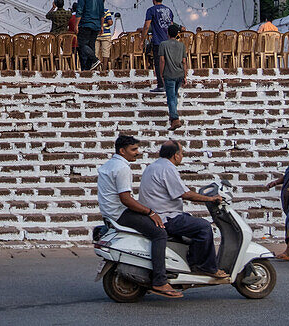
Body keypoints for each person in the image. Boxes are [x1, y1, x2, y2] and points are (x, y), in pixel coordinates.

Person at [96, 135, 181, 298]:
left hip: (111, 212)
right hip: (120, 213)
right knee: (160, 233)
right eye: (133, 149)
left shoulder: (110, 164)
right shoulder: (122, 168)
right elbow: (126, 199)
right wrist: (150, 212)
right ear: (122, 151)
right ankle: (160, 281)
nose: (137, 153)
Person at [139, 141, 228, 279]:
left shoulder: (154, 166)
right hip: (166, 217)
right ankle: (206, 267)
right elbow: (184, 194)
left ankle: (192, 262)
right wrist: (210, 199)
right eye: (181, 153)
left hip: (158, 214)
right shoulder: (168, 168)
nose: (182, 156)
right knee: (204, 227)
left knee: (191, 220)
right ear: (176, 155)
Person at [141, 0, 176, 93]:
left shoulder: (151, 10)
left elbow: (147, 26)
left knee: (158, 63)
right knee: (168, 63)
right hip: (168, 40)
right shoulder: (169, 10)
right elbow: (171, 25)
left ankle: (161, 85)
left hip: (158, 41)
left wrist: (142, 40)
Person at [156, 24, 187, 130]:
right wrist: (185, 76)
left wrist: (161, 73)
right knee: (174, 95)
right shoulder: (182, 45)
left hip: (169, 74)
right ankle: (173, 117)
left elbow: (162, 60)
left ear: (167, 33)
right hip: (180, 74)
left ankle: (175, 118)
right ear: (177, 34)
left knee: (171, 98)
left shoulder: (163, 44)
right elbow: (184, 62)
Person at [74, 0, 104, 70]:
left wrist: (76, 25)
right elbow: (102, 14)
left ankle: (94, 60)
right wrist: (101, 26)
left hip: (86, 24)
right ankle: (89, 67)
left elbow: (79, 11)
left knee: (82, 45)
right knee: (91, 45)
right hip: (96, 25)